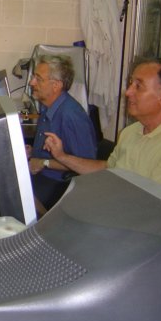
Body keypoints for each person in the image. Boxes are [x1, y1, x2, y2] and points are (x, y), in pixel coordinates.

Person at [44, 58, 161, 198]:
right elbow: (109, 169)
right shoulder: (131, 131)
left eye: (138, 86)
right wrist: (62, 156)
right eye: (130, 84)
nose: (128, 92)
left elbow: (153, 208)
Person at [26, 55, 97, 210]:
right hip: (43, 175)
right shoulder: (47, 107)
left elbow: (85, 166)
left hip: (58, 184)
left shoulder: (71, 116)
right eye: (33, 77)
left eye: (38, 79)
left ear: (56, 85)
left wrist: (43, 163)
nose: (32, 82)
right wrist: (33, 152)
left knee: (10, 195)